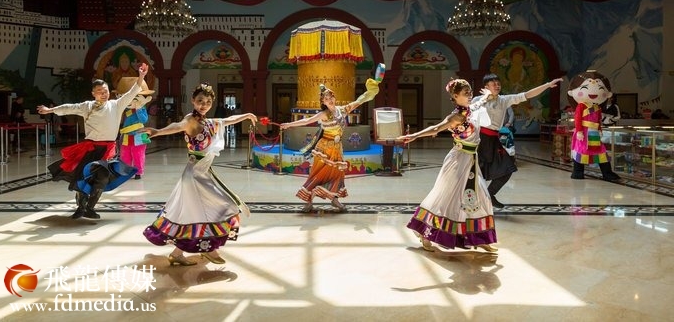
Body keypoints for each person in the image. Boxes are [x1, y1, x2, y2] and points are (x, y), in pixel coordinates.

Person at [140, 83, 257, 266]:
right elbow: (177, 126)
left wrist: (247, 115)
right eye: (200, 101)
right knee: (219, 206)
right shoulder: (191, 120)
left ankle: (179, 253)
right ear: (193, 101)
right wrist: (158, 132)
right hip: (194, 175)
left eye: (208, 102)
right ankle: (210, 248)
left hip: (201, 173)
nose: (204, 105)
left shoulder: (208, 122)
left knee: (193, 215)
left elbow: (229, 120)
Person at [397, 79, 498, 252]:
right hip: (458, 161)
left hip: (471, 161)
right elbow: (436, 128)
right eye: (465, 93)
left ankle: (478, 237)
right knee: (445, 199)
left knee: (481, 197)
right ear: (455, 96)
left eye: (470, 92)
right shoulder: (455, 116)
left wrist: (487, 94)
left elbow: (481, 101)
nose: (470, 95)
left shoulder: (470, 108)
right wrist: (414, 135)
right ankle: (423, 231)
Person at [37, 64, 149, 219]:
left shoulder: (116, 105)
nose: (104, 94)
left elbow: (132, 93)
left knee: (102, 177)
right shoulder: (87, 106)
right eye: (100, 92)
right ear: (93, 93)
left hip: (107, 149)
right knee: (82, 176)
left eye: (106, 91)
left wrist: (141, 76)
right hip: (90, 148)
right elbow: (69, 108)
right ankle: (80, 207)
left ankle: (90, 207)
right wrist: (51, 110)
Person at [280, 77, 380, 213]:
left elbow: (359, 101)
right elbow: (306, 121)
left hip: (337, 148)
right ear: (323, 102)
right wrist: (289, 124)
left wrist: (371, 92)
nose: (330, 100)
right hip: (324, 148)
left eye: (331, 97)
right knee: (317, 174)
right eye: (326, 99)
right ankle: (309, 202)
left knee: (338, 174)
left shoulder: (343, 110)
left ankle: (334, 199)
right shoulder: (323, 114)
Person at [473, 74, 563, 208]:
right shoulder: (478, 100)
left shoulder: (504, 100)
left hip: (494, 139)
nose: (497, 85)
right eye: (494, 84)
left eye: (499, 83)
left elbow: (526, 95)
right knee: (475, 172)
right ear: (486, 87)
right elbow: (465, 113)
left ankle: (489, 195)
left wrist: (547, 85)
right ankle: (471, 201)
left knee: (507, 168)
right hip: (479, 139)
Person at [567, 71, 621, 181]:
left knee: (601, 151)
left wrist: (599, 129)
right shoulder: (581, 106)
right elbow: (578, 119)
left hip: (594, 132)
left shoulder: (597, 107)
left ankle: (607, 173)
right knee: (581, 151)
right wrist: (579, 131)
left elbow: (598, 120)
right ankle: (578, 172)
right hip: (584, 133)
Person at [114, 77, 155, 180]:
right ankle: (125, 171)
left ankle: (138, 172)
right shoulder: (124, 109)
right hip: (126, 135)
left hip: (139, 135)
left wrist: (138, 109)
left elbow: (143, 120)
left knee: (138, 154)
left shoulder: (142, 109)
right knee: (125, 154)